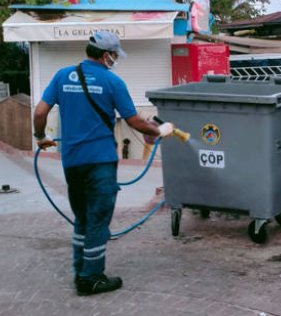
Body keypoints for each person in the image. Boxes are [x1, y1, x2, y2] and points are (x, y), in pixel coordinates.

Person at [33, 30, 175, 296]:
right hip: (100, 161)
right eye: (114, 55)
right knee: (99, 220)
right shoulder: (112, 82)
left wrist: (40, 137)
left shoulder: (63, 75)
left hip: (72, 161)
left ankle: (80, 270)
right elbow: (133, 121)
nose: (115, 59)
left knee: (83, 218)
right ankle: (91, 278)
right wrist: (162, 130)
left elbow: (40, 111)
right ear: (106, 55)